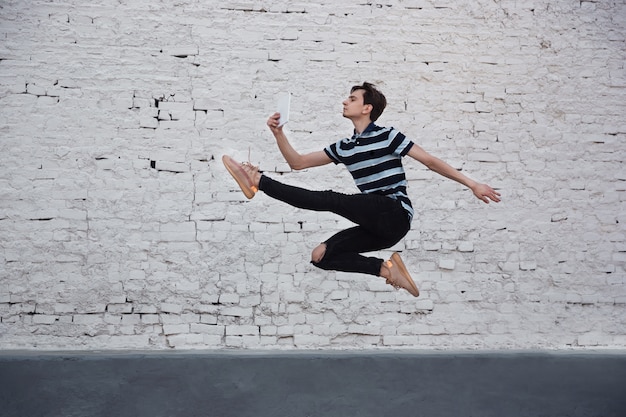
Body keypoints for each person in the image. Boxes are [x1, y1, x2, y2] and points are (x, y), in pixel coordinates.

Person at [223, 82, 501, 297]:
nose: (345, 101)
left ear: (367, 108)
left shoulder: (388, 135)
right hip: (377, 227)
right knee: (321, 256)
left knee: (333, 200)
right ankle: (386, 270)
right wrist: (278, 133)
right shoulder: (344, 147)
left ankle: (258, 181)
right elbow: (297, 163)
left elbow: (428, 161)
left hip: (394, 213)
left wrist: (472, 183)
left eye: (353, 98)